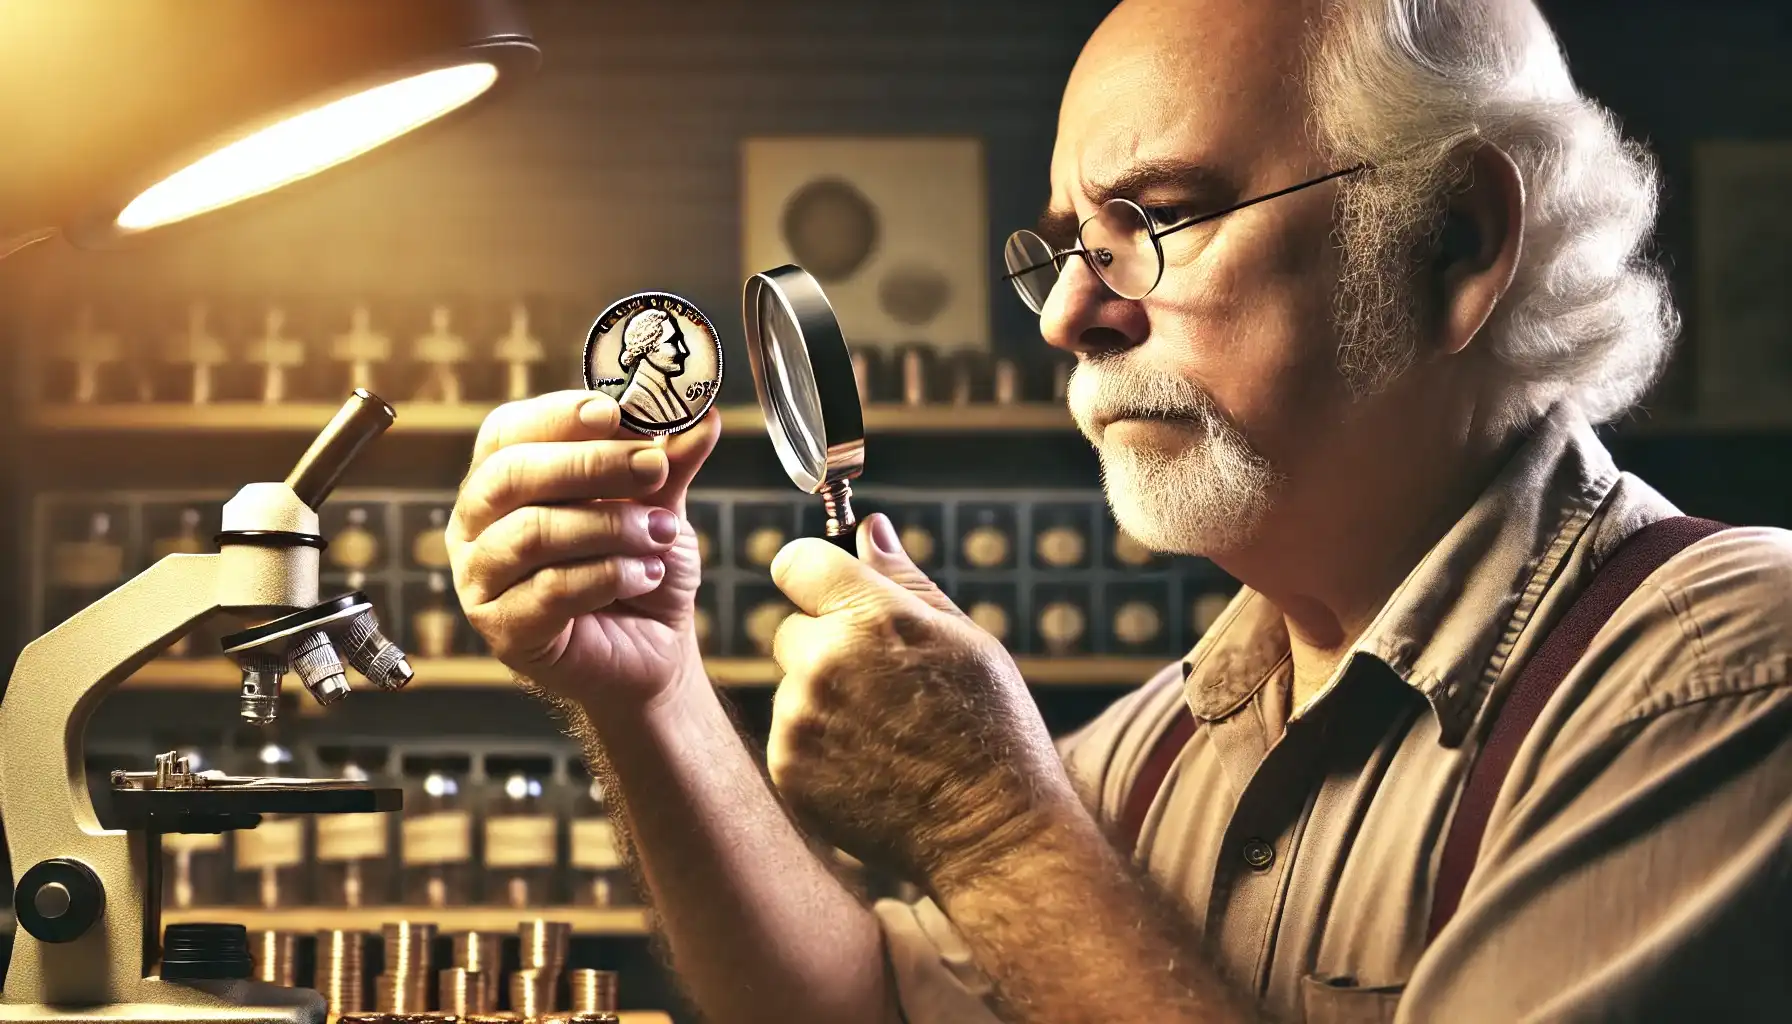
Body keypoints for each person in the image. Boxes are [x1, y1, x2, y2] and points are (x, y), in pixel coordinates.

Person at [445, 0, 1792, 1020]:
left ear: (1452, 242)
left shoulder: (1728, 682)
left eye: (1156, 217)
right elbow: (865, 1008)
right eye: (1064, 246)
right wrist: (647, 689)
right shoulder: (1165, 744)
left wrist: (991, 833)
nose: (1070, 314)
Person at [614, 307, 692, 428]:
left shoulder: (666, 393)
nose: (684, 351)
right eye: (673, 341)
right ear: (647, 347)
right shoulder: (633, 404)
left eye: (680, 340)